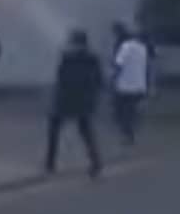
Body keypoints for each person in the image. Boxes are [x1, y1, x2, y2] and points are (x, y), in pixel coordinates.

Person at [45, 29, 103, 177]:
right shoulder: (92, 59)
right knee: (85, 132)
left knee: (55, 130)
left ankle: (50, 163)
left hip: (66, 100)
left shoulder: (67, 58)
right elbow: (98, 81)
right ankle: (95, 162)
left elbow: (61, 79)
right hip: (82, 101)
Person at [111, 22, 150, 146]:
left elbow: (118, 65)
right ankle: (130, 133)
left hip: (125, 85)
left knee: (121, 111)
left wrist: (112, 78)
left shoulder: (126, 46)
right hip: (139, 85)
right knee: (130, 110)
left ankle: (128, 135)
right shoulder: (143, 48)